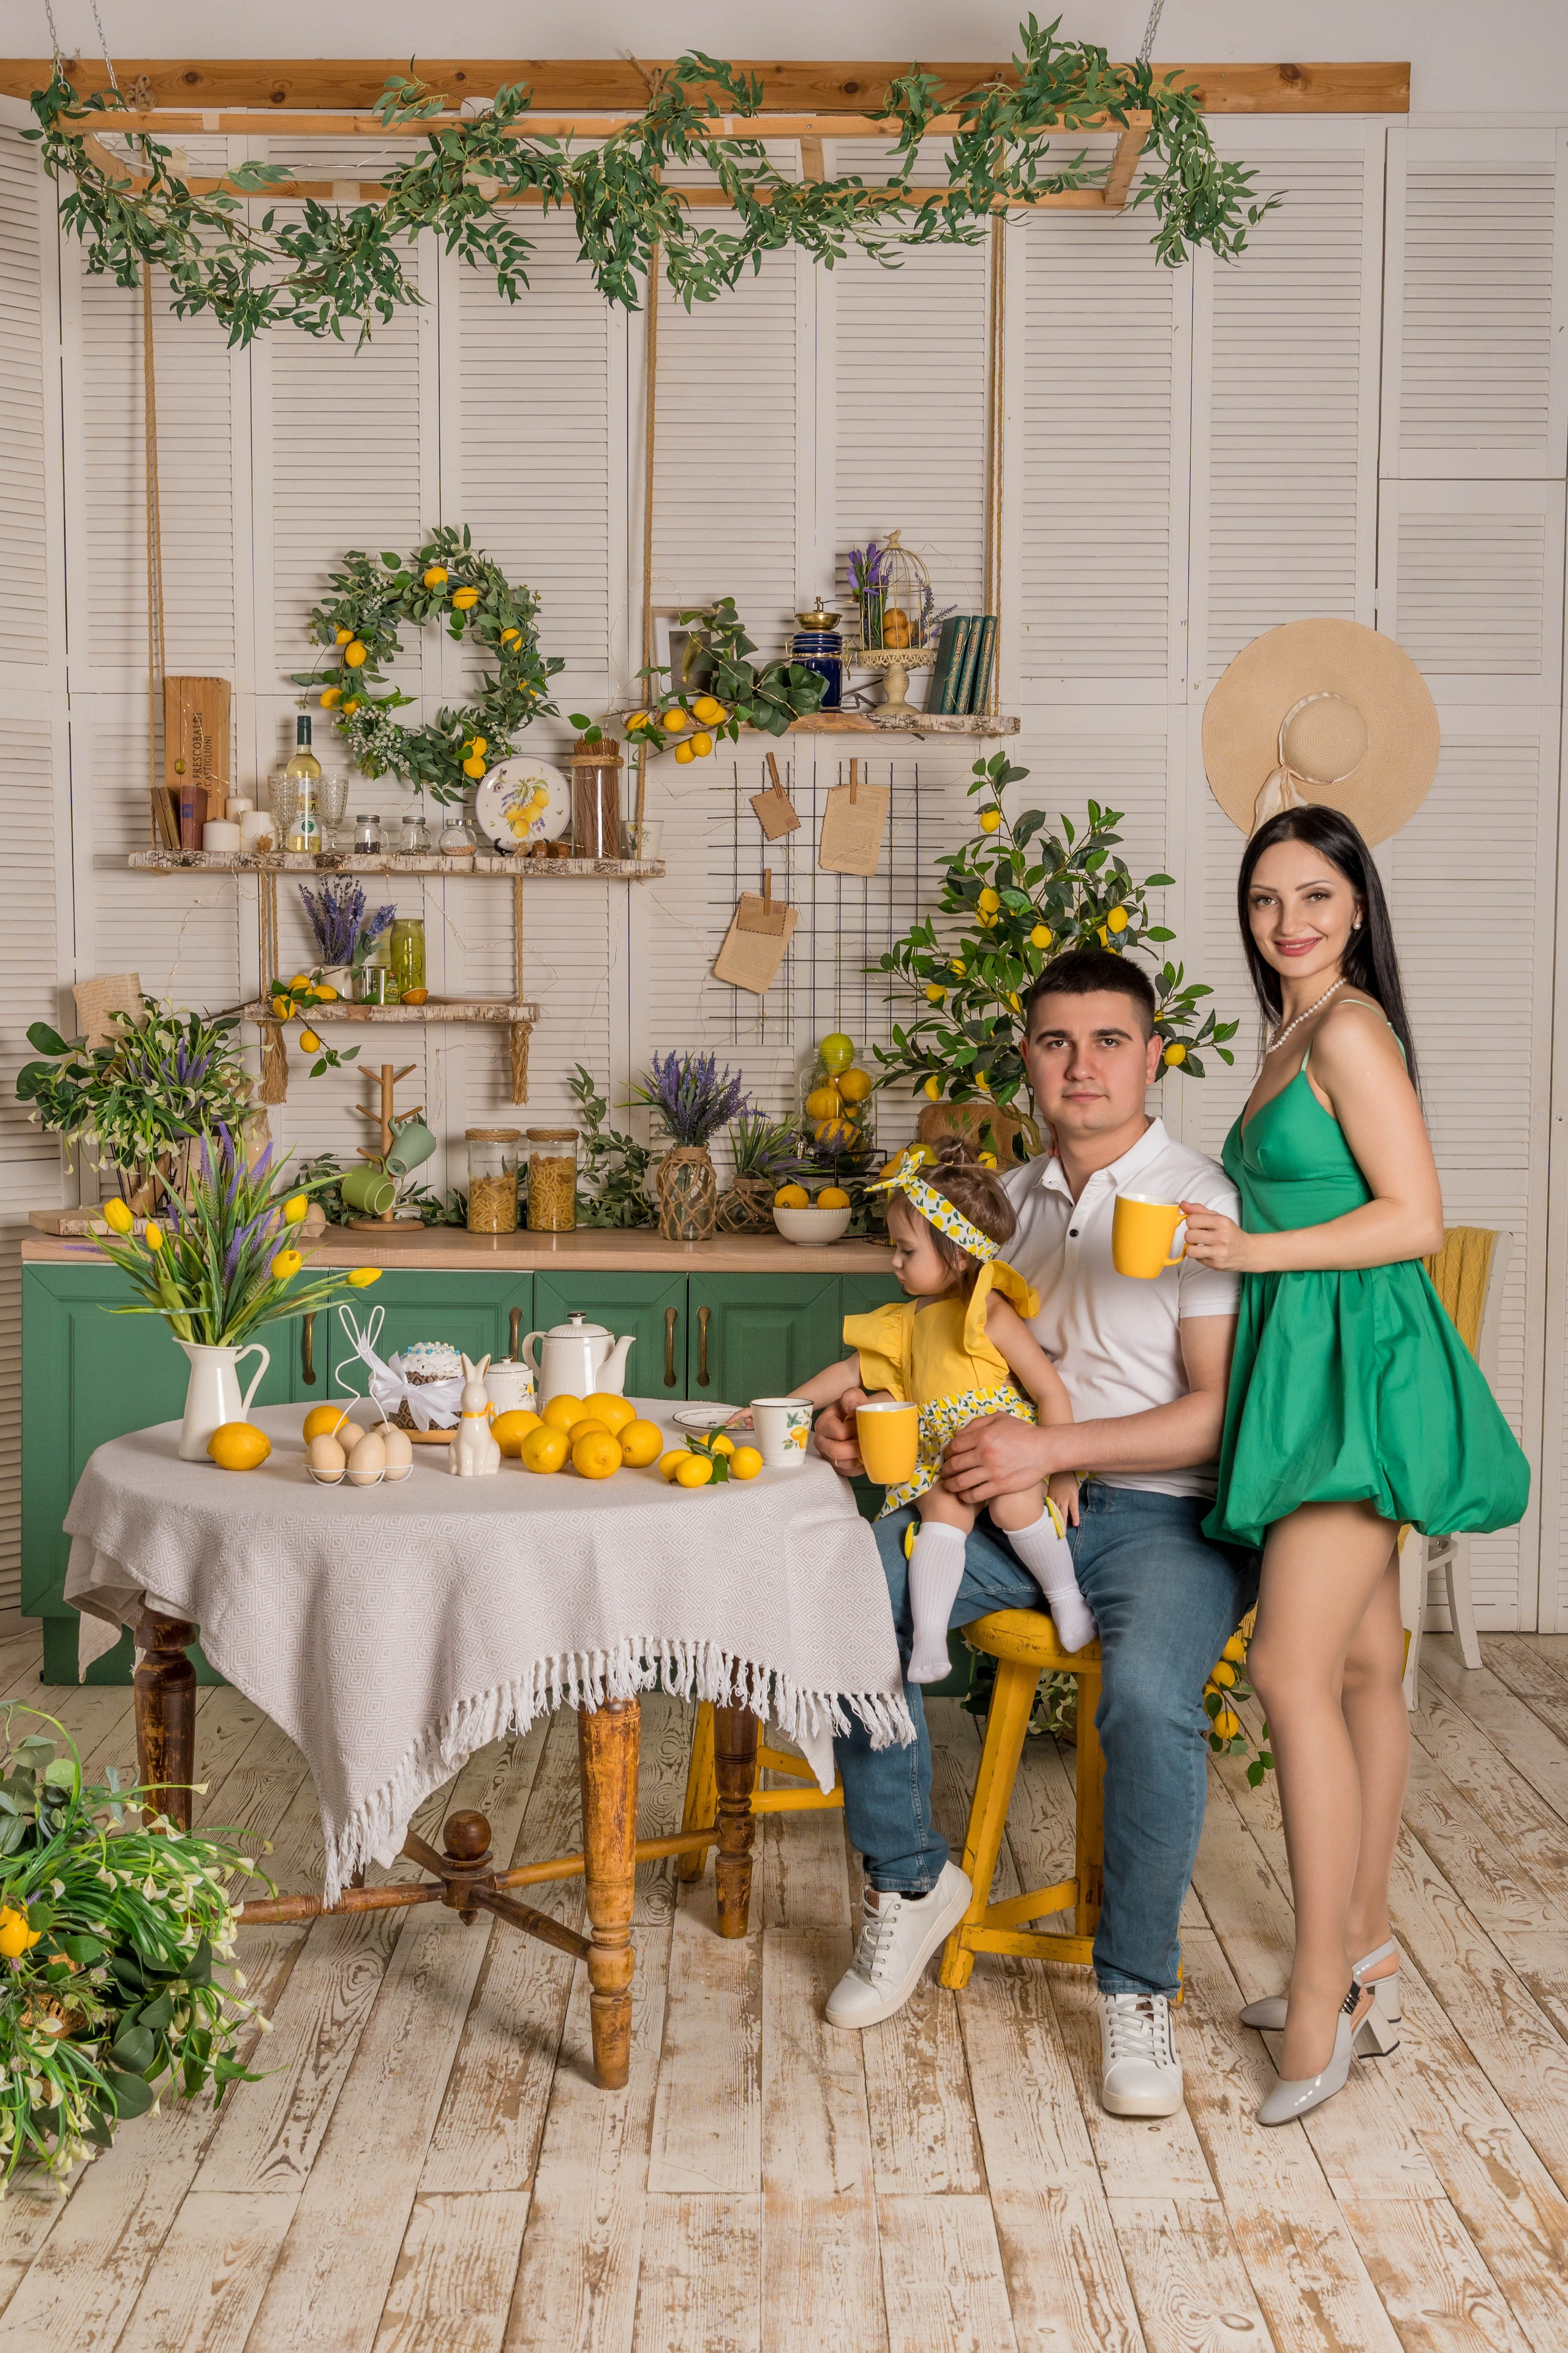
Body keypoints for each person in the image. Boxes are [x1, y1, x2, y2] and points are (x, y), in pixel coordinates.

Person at [814, 946, 1256, 2120]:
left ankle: (1137, 1988)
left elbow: (1215, 1410)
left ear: (1154, 1054)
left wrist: (1052, 1452)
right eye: (1057, 1041)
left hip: (1164, 1518)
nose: (1083, 1065)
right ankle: (913, 1884)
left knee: (1152, 1700)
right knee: (847, 1586)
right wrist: (871, 1431)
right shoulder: (997, 1204)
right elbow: (940, 1351)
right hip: (1002, 1501)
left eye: (1110, 1040)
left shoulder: (1200, 1202)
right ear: (1026, 1059)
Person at [1179, 806, 1529, 2125]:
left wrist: (1247, 1255)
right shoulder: (1288, 1028)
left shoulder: (1345, 1026)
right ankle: (1367, 1947)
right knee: (1367, 1662)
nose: (1288, 921)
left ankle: (1320, 1985)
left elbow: (1412, 1216)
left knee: (1284, 1667)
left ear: (1357, 905)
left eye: (1313, 895)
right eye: (1265, 899)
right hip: (1312, 1353)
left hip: (1352, 1367)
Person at [791, 1138, 1094, 1682]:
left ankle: (1065, 1595)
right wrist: (785, 1407)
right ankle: (929, 1642)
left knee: (1012, 1506)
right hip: (941, 1456)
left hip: (1004, 1448)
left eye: (907, 1250)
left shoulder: (989, 1311)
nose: (894, 1260)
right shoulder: (903, 1323)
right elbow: (847, 1374)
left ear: (956, 1253)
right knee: (941, 1520)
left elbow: (1049, 1391)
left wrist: (1063, 1470)